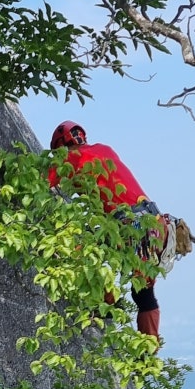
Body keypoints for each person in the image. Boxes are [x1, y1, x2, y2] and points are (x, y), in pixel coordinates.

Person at [49, 120, 164, 340]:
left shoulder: (71, 158)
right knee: (144, 293)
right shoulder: (105, 150)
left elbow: (42, 181)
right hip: (154, 223)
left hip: (129, 226)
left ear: (62, 146)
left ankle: (104, 319)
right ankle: (147, 356)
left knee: (85, 256)